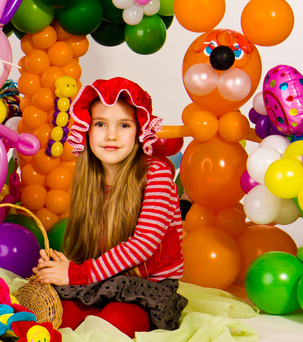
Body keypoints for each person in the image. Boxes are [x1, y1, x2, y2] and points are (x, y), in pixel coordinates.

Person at [33, 77, 187, 336]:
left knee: (114, 323)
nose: (111, 135)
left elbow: (144, 244)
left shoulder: (156, 174)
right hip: (104, 279)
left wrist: (76, 274)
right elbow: (96, 248)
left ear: (140, 131)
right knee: (57, 318)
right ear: (86, 130)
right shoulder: (90, 178)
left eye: (124, 125)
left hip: (147, 289)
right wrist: (59, 267)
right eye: (100, 124)